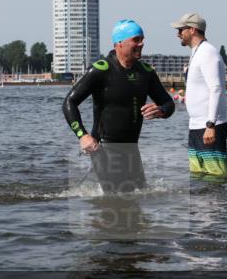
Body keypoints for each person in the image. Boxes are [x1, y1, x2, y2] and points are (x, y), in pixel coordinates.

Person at [63, 19, 175, 193]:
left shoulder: (145, 72)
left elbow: (169, 103)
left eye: (142, 39)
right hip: (104, 147)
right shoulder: (101, 70)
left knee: (138, 198)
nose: (142, 43)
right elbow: (69, 102)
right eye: (136, 39)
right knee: (115, 200)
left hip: (132, 148)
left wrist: (161, 110)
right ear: (119, 43)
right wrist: (82, 136)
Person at [173, 12, 227, 179]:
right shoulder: (196, 52)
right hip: (196, 125)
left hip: (209, 125)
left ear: (192, 30)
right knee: (198, 175)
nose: (178, 34)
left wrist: (210, 125)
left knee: (215, 176)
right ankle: (198, 206)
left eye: (180, 29)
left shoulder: (207, 52)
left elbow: (216, 88)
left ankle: (218, 206)